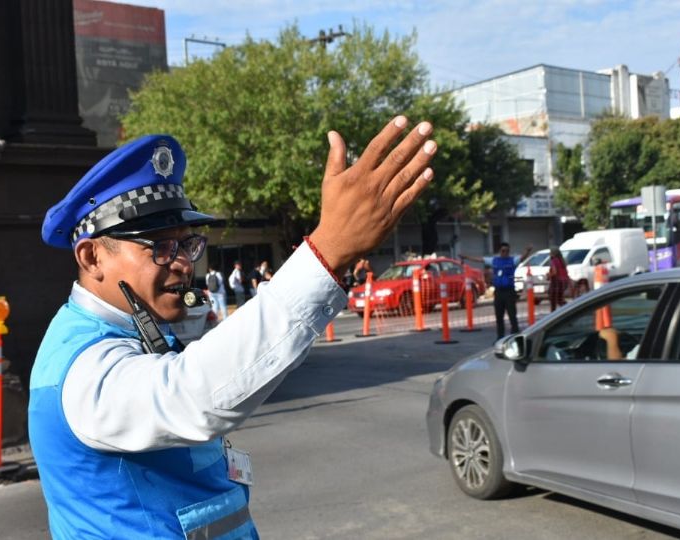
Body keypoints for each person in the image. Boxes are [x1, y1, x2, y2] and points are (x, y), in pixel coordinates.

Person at [29, 117, 437, 539]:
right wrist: (328, 250)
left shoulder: (137, 332)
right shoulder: (81, 365)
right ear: (92, 257)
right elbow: (190, 395)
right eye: (161, 247)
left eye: (187, 244)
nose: (184, 262)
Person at [462, 242, 532, 339]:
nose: (505, 253)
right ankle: (500, 337)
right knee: (499, 317)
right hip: (499, 292)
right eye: (503, 251)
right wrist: (467, 257)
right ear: (500, 251)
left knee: (512, 315)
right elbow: (480, 259)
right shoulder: (494, 260)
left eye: (507, 251)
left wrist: (527, 251)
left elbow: (522, 258)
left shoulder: (512, 260)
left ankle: (515, 336)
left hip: (509, 292)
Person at [546, 246, 569, 312]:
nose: (549, 253)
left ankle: (553, 315)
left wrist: (548, 275)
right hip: (564, 282)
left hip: (556, 282)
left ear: (553, 253)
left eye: (550, 252)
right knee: (560, 299)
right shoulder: (562, 260)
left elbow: (555, 272)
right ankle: (568, 308)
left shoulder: (553, 260)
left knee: (553, 299)